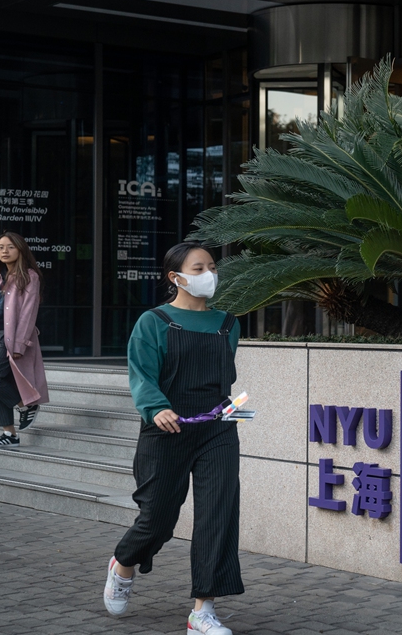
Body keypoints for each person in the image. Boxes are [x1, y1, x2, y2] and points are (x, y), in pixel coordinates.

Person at [103, 242, 242, 635]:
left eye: (212, 266)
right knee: (157, 519)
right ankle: (124, 563)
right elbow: (141, 374)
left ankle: (202, 612)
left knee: (219, 514)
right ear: (175, 277)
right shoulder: (154, 322)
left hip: (216, 429)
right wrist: (156, 406)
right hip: (166, 427)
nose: (208, 274)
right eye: (199, 268)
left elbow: (223, 379)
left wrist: (232, 408)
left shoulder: (229, 324)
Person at [0, 231, 48, 448]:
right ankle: (9, 434)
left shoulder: (29, 276)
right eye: (0, 247)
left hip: (11, 338)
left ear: (20, 250)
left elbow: (28, 313)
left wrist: (19, 344)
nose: (4, 251)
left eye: (10, 247)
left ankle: (26, 406)